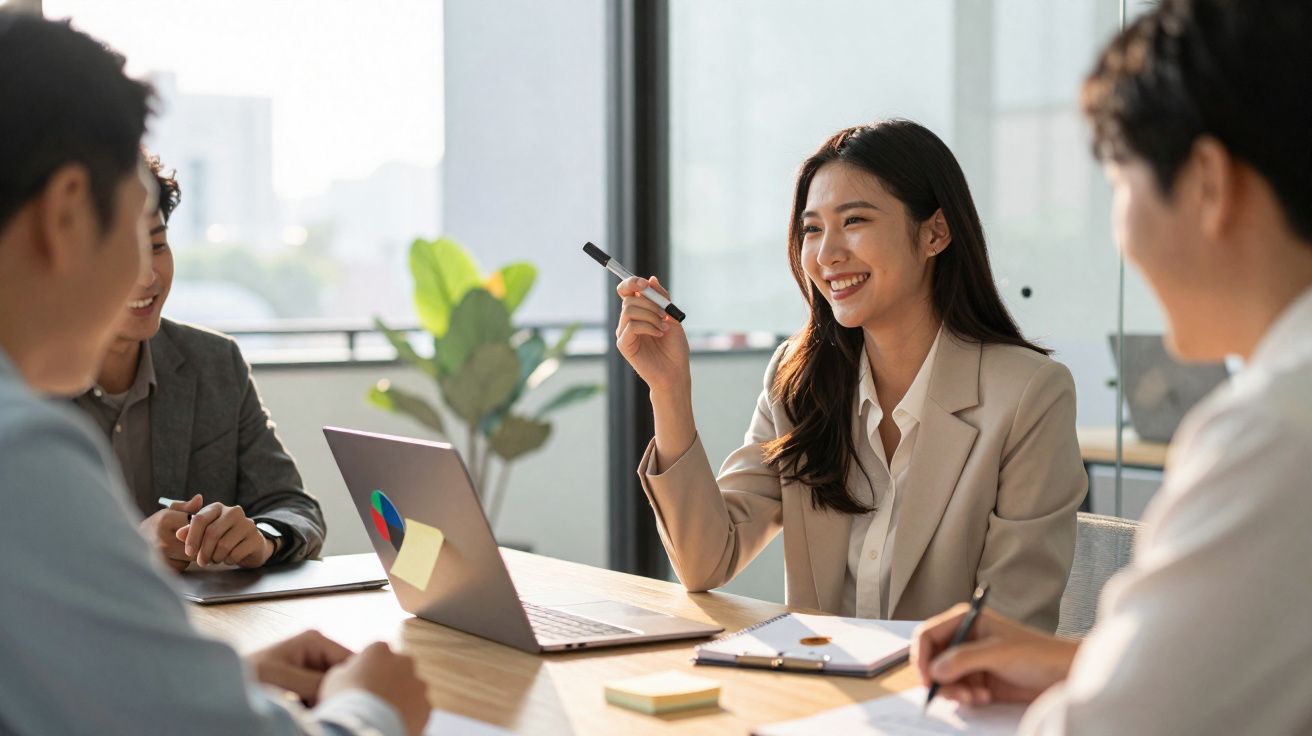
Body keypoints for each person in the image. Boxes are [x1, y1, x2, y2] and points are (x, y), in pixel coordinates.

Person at [0, 13, 428, 735]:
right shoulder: (23, 448)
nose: (141, 276)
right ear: (68, 211)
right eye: (129, 227)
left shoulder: (203, 362)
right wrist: (373, 705)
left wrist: (224, 684)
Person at [911, 1, 1312, 733]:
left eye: (1119, 185)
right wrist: (1079, 661)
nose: (1118, 234)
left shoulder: (1271, 432)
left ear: (1207, 182)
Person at [615, 119, 1087, 629]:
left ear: (935, 232)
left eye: (854, 220)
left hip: (940, 680)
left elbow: (1009, 628)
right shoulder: (797, 380)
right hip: (819, 675)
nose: (826, 255)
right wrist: (669, 390)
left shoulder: (1028, 394)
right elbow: (706, 560)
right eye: (812, 229)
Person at [72, 152, 326, 571]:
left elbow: (294, 506)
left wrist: (263, 536)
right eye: (123, 253)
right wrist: (128, 550)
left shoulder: (215, 363)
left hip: (201, 611)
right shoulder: (18, 381)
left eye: (157, 246)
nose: (147, 277)